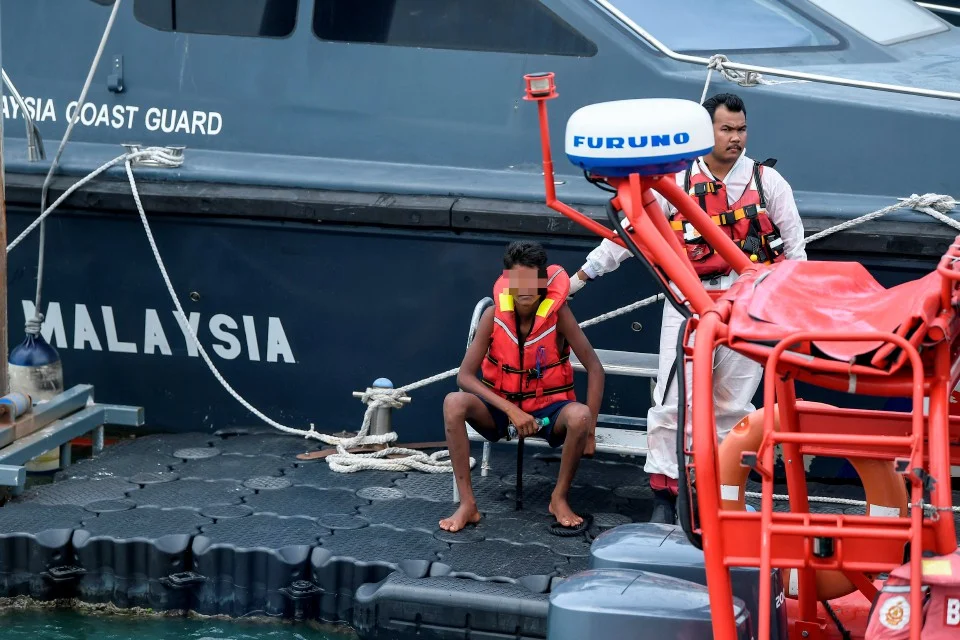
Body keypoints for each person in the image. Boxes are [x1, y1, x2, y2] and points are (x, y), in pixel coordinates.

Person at [568, 93, 807, 524]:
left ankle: (721, 489)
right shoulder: (672, 182)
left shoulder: (770, 184)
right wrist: (580, 278)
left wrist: (794, 307)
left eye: (741, 129)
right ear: (706, 130)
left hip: (750, 303)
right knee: (673, 400)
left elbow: (794, 250)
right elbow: (626, 235)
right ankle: (666, 492)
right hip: (687, 299)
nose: (735, 138)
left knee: (734, 405)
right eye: (726, 129)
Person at [439, 241, 605, 532]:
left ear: (542, 282)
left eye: (532, 281)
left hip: (548, 412)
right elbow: (464, 377)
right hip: (502, 411)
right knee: (454, 401)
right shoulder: (493, 316)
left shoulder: (559, 314)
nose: (525, 289)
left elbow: (596, 369)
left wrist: (589, 432)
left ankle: (558, 498)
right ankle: (468, 504)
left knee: (579, 415)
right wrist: (511, 411)